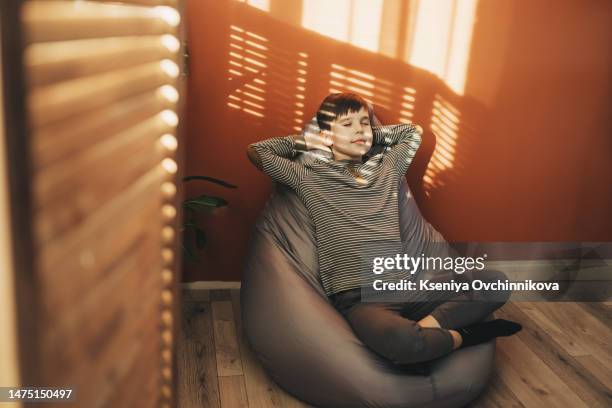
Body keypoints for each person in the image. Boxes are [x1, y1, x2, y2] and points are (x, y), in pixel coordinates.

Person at [246, 92, 521, 366]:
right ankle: (465, 336)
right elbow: (257, 152)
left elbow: (413, 133)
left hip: (408, 285)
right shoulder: (309, 176)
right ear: (327, 136)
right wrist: (310, 140)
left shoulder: (387, 167)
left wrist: (368, 135)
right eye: (347, 124)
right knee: (405, 344)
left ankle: (428, 333)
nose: (359, 129)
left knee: (496, 281)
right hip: (361, 297)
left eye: (364, 122)